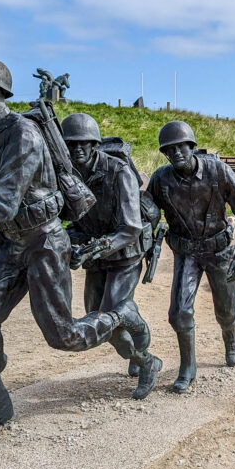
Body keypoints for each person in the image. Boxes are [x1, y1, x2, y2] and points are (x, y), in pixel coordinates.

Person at [0, 58, 151, 435]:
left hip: (44, 242)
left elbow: (1, 203)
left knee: (64, 336)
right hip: (12, 243)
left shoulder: (23, 133)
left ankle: (121, 315)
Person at [146, 121, 235, 393]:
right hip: (187, 253)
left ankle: (231, 338)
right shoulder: (160, 179)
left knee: (227, 309)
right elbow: (147, 214)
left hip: (219, 251)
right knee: (179, 312)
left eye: (180, 147)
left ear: (191, 146)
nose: (176, 153)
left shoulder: (218, 171)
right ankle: (188, 367)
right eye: (169, 150)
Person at [60, 112, 160, 397]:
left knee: (108, 322)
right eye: (71, 144)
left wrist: (94, 247)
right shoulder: (68, 175)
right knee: (95, 315)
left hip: (125, 255)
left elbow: (129, 228)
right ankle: (137, 338)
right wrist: (73, 243)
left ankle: (147, 361)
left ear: (95, 144)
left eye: (84, 143)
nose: (77, 149)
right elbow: (75, 220)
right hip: (97, 257)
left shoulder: (119, 172)